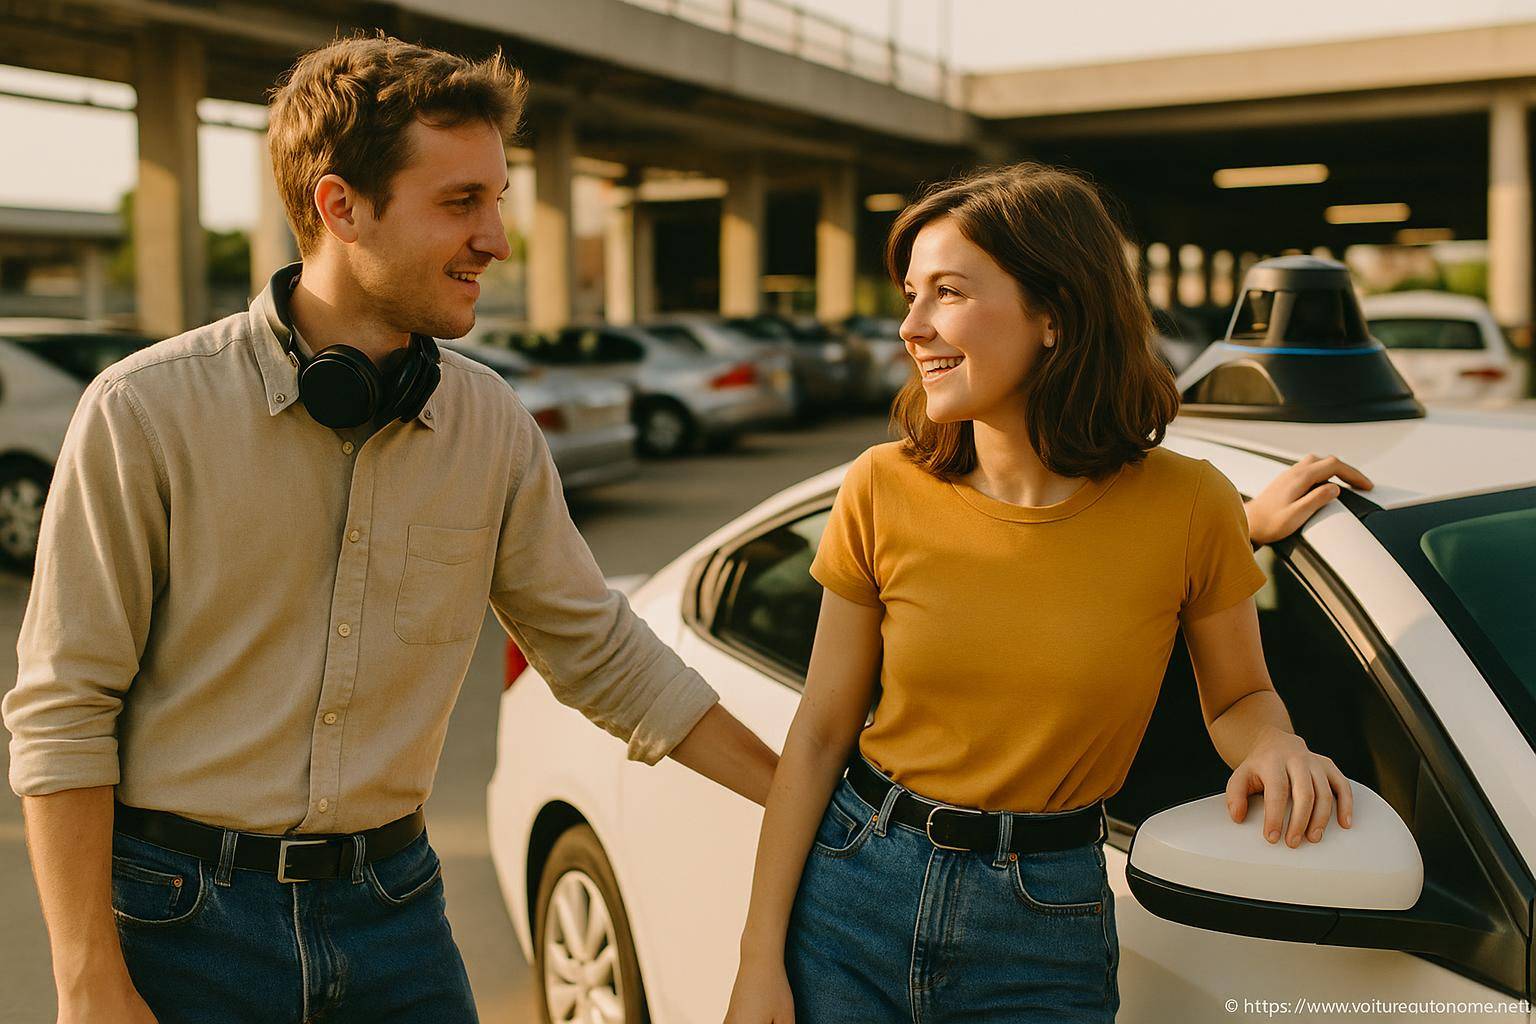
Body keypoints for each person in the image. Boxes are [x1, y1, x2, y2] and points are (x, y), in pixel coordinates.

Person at [2, 35, 776, 1024]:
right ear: (339, 206)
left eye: (496, 199)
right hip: (180, 921)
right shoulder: (144, 413)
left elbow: (604, 653)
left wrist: (809, 796)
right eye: (461, 203)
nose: (497, 239)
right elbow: (63, 710)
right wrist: (87, 982)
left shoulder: (490, 424)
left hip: (395, 915)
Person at [724, 163, 1368, 1024]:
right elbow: (818, 735)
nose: (912, 327)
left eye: (947, 292)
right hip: (853, 892)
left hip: (1044, 927)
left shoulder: (1190, 509)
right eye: (911, 294)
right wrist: (758, 959)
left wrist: (1276, 743)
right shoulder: (880, 488)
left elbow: (1239, 694)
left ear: (1055, 313)